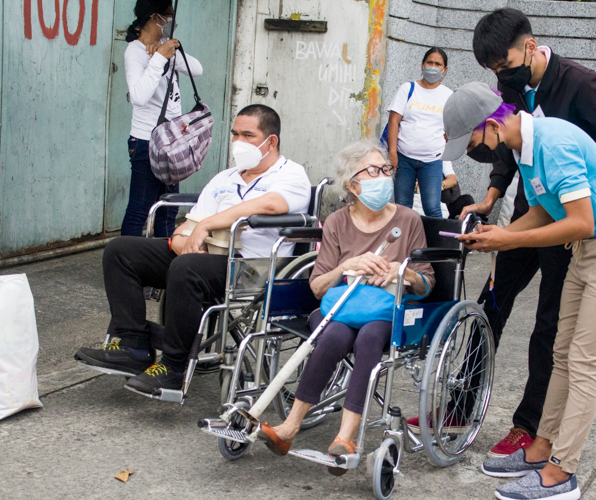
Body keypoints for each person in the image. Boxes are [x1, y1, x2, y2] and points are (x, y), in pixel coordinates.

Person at [445, 8, 596, 458]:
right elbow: (504, 142)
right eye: (495, 72)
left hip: (573, 226)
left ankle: (529, 426)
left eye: (504, 66)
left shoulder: (579, 84)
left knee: (550, 329)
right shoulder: (510, 90)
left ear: (530, 46)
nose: (503, 77)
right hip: (533, 212)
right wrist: (493, 195)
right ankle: (460, 405)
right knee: (491, 304)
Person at [74, 105, 311, 394]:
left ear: (271, 141)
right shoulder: (225, 179)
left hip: (253, 267)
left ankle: (173, 367)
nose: (239, 141)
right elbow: (188, 226)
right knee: (121, 251)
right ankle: (132, 345)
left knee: (187, 269)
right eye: (235, 134)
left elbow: (270, 205)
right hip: (208, 258)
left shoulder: (290, 175)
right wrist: (182, 240)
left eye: (248, 135)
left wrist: (209, 224)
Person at [255, 141, 434, 473]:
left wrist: (402, 271)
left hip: (383, 311)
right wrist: (347, 265)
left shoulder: (408, 220)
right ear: (353, 184)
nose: (384, 176)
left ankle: (345, 438)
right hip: (338, 309)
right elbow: (317, 285)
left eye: (386, 169)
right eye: (374, 171)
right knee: (335, 334)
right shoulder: (337, 221)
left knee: (368, 339)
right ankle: (289, 428)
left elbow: (426, 284)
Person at [121, 0, 203, 238]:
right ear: (154, 18)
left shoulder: (165, 49)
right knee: (140, 209)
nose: (171, 23)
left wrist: (169, 52)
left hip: (172, 143)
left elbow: (197, 69)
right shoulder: (135, 52)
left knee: (168, 209)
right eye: (168, 17)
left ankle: (161, 266)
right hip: (147, 142)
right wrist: (158, 59)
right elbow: (139, 96)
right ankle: (128, 266)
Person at [387, 47, 453, 218]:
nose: (433, 67)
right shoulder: (408, 89)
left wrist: (438, 146)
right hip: (404, 160)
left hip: (432, 161)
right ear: (422, 65)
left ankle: (436, 244)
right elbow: (394, 121)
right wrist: (392, 153)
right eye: (429, 62)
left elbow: (451, 129)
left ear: (444, 70)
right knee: (402, 208)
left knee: (432, 208)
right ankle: (403, 244)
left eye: (438, 64)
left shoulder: (448, 96)